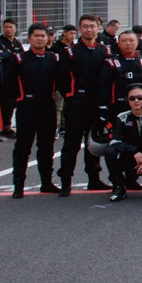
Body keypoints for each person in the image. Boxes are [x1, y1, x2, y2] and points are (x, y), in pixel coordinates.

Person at [7, 24, 70, 198]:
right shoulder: (19, 59)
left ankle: (46, 183)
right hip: (26, 107)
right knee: (22, 147)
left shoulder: (53, 58)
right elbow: (8, 83)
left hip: (47, 107)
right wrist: (17, 99)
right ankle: (18, 185)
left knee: (46, 147)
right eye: (36, 36)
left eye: (43, 36)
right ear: (29, 38)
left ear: (48, 38)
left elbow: (63, 83)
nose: (40, 39)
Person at [58, 14, 113, 193]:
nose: (89, 29)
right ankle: (66, 181)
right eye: (85, 26)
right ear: (79, 29)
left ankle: (94, 179)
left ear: (98, 28)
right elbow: (62, 79)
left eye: (92, 26)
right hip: (76, 104)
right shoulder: (70, 51)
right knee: (71, 144)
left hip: (97, 104)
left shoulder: (105, 51)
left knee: (93, 143)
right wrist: (71, 95)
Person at [98, 31, 142, 117]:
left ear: (137, 42)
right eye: (124, 41)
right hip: (117, 107)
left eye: (131, 40)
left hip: (140, 106)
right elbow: (104, 87)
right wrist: (103, 106)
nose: (128, 43)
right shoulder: (111, 62)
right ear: (118, 43)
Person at [0, 18, 24, 139]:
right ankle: (6, 128)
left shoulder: (17, 43)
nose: (8, 29)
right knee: (5, 103)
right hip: (2, 78)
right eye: (6, 27)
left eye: (10, 27)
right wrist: (7, 55)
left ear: (15, 29)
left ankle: (7, 127)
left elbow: (21, 57)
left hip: (14, 78)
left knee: (12, 103)